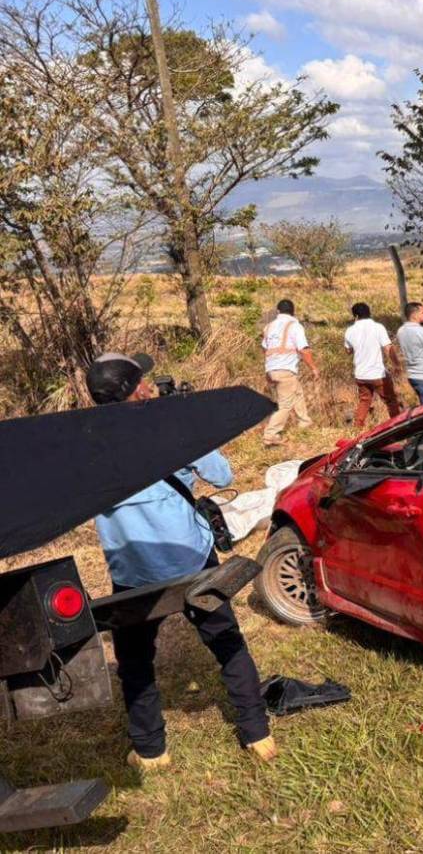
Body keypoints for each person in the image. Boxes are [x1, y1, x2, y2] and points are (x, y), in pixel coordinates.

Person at [85, 353, 275, 770]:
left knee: (134, 662)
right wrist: (188, 423)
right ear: (138, 390)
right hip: (191, 559)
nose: (152, 385)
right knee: (226, 642)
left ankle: (151, 751)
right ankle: (257, 734)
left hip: (131, 571)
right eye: (145, 381)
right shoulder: (170, 425)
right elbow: (223, 477)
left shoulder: (85, 441)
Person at [262, 299, 318, 448]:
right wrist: (313, 367)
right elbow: (304, 349)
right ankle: (270, 435)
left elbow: (264, 348)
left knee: (297, 392)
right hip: (285, 369)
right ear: (293, 312)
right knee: (285, 404)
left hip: (271, 370)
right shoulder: (295, 326)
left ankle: (305, 422)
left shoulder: (269, 326)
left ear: (278, 311)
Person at [344, 302, 401, 428]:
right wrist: (397, 364)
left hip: (361, 374)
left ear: (355, 316)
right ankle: (398, 426)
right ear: (369, 313)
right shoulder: (378, 327)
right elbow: (387, 348)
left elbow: (348, 351)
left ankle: (357, 429)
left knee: (364, 401)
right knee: (391, 401)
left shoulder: (349, 330)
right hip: (378, 374)